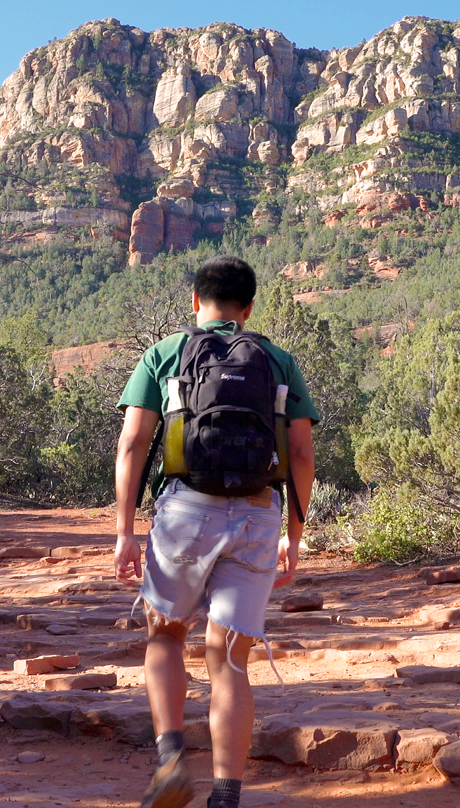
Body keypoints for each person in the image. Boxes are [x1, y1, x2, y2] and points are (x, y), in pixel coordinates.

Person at [113, 256, 318, 808]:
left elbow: (133, 444)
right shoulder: (276, 360)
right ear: (249, 309)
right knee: (228, 659)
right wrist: (292, 537)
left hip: (184, 513)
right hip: (256, 514)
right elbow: (300, 454)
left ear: (195, 302)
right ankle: (226, 796)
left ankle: (171, 761)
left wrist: (124, 529)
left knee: (165, 635)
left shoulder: (165, 354)